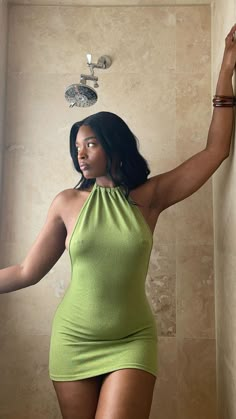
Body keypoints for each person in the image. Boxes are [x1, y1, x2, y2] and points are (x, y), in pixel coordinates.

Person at [0, 25, 236, 419]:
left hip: (132, 340)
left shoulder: (149, 198)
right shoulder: (67, 203)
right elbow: (26, 271)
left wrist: (226, 69)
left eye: (90, 143)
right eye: (77, 147)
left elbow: (215, 151)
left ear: (114, 145)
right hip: (72, 341)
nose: (81, 153)